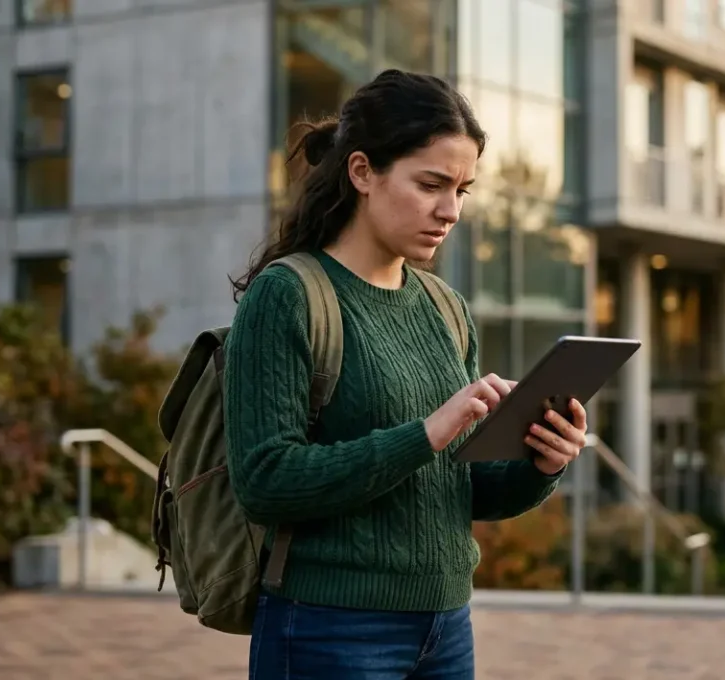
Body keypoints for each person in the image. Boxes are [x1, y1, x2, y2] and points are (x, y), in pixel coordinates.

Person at [222, 70, 586, 680]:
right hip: (328, 627)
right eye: (431, 185)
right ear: (362, 172)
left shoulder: (445, 307)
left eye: (463, 190)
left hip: (446, 626)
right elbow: (265, 481)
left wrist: (540, 463)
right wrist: (427, 433)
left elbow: (462, 493)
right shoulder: (288, 294)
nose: (450, 211)